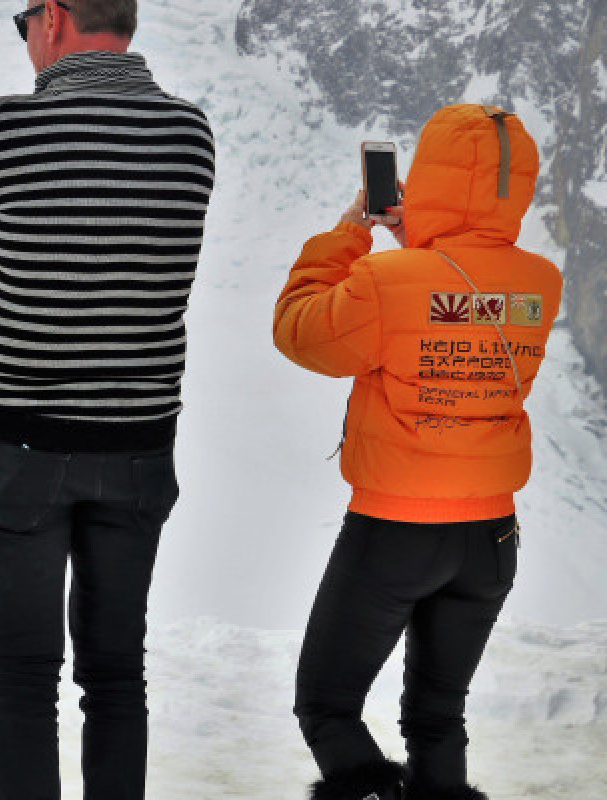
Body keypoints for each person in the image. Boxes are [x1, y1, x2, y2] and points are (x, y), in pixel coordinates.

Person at [0, 0, 215, 795]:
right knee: (118, 673)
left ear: (52, 17)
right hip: (140, 441)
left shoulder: (10, 127)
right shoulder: (191, 134)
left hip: (21, 442)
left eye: (24, 23)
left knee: (22, 676)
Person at [273, 104, 563, 800]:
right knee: (437, 718)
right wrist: (424, 245)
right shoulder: (540, 284)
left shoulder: (384, 283)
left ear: (426, 177)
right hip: (491, 537)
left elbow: (299, 330)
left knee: (327, 705)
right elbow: (456, 299)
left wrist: (352, 233)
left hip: (396, 532)